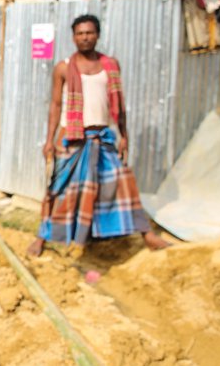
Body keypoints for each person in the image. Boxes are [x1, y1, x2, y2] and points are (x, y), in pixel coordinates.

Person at [27, 15, 169, 257]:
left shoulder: (110, 65)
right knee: (59, 189)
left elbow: (119, 105)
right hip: (72, 139)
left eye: (89, 33)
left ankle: (147, 235)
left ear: (98, 35)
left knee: (124, 185)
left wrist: (124, 136)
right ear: (73, 37)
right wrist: (49, 141)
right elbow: (55, 105)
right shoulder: (63, 68)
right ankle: (42, 237)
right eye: (80, 34)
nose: (85, 37)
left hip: (102, 137)